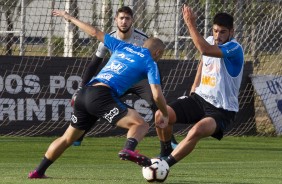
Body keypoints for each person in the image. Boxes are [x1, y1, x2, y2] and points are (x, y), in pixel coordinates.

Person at [28, 9, 169, 179]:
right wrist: (165, 113)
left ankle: (38, 171)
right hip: (101, 95)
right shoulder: (150, 62)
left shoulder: (121, 45)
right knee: (141, 125)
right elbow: (156, 95)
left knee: (67, 138)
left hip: (84, 92)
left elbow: (94, 32)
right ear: (158, 53)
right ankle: (128, 149)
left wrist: (69, 17)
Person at [71, 6, 178, 147]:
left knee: (155, 102)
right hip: (117, 78)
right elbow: (94, 64)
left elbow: (153, 65)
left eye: (127, 18)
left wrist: (157, 89)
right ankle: (79, 136)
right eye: (121, 18)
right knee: (97, 101)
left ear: (132, 21)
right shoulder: (110, 39)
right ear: (116, 20)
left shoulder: (143, 39)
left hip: (139, 79)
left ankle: (168, 141)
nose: (124, 21)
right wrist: (81, 87)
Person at [155, 4, 244, 167]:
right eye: (215, 31)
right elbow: (203, 63)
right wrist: (195, 87)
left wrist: (190, 23)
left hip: (222, 110)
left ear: (232, 31)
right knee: (161, 115)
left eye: (223, 32)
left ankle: (165, 165)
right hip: (199, 99)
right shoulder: (210, 41)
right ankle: (165, 152)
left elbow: (204, 50)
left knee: (196, 131)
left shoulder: (235, 48)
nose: (218, 35)